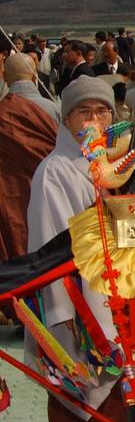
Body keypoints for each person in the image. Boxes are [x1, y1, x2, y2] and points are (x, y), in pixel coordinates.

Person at [26, 77, 125, 422]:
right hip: (76, 305)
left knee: (119, 396)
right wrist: (63, 317)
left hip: (115, 297)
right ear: (66, 119)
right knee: (79, 388)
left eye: (102, 111)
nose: (94, 120)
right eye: (84, 112)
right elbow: (48, 250)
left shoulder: (114, 166)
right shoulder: (54, 172)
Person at [0, 55, 58, 265]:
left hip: (11, 194)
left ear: (5, 77)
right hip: (50, 189)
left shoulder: (2, 112)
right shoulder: (53, 109)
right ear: (35, 76)